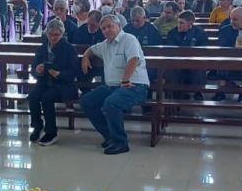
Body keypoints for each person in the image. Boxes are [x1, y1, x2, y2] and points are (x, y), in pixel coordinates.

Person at [80, 14, 150, 155]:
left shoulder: (129, 39)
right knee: (86, 101)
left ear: (119, 26)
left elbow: (133, 59)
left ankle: (120, 142)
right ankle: (110, 136)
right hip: (113, 87)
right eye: (103, 28)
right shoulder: (105, 44)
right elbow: (92, 49)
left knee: (111, 103)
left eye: (110, 26)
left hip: (134, 85)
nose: (107, 30)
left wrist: (125, 80)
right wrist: (85, 57)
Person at [28, 19, 79, 146]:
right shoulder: (42, 49)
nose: (53, 37)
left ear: (62, 34)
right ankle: (37, 126)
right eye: (51, 34)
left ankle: (51, 132)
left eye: (57, 35)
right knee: (33, 96)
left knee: (47, 97)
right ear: (46, 34)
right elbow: (33, 70)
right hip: (44, 82)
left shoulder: (68, 49)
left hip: (64, 85)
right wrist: (38, 70)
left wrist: (59, 74)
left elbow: (73, 72)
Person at [166, 10, 209, 99]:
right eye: (178, 22)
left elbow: (203, 50)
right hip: (177, 63)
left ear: (190, 24)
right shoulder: (172, 33)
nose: (179, 25)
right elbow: (171, 50)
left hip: (194, 62)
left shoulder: (200, 33)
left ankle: (198, 92)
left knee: (199, 67)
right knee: (171, 69)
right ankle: (175, 94)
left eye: (182, 23)